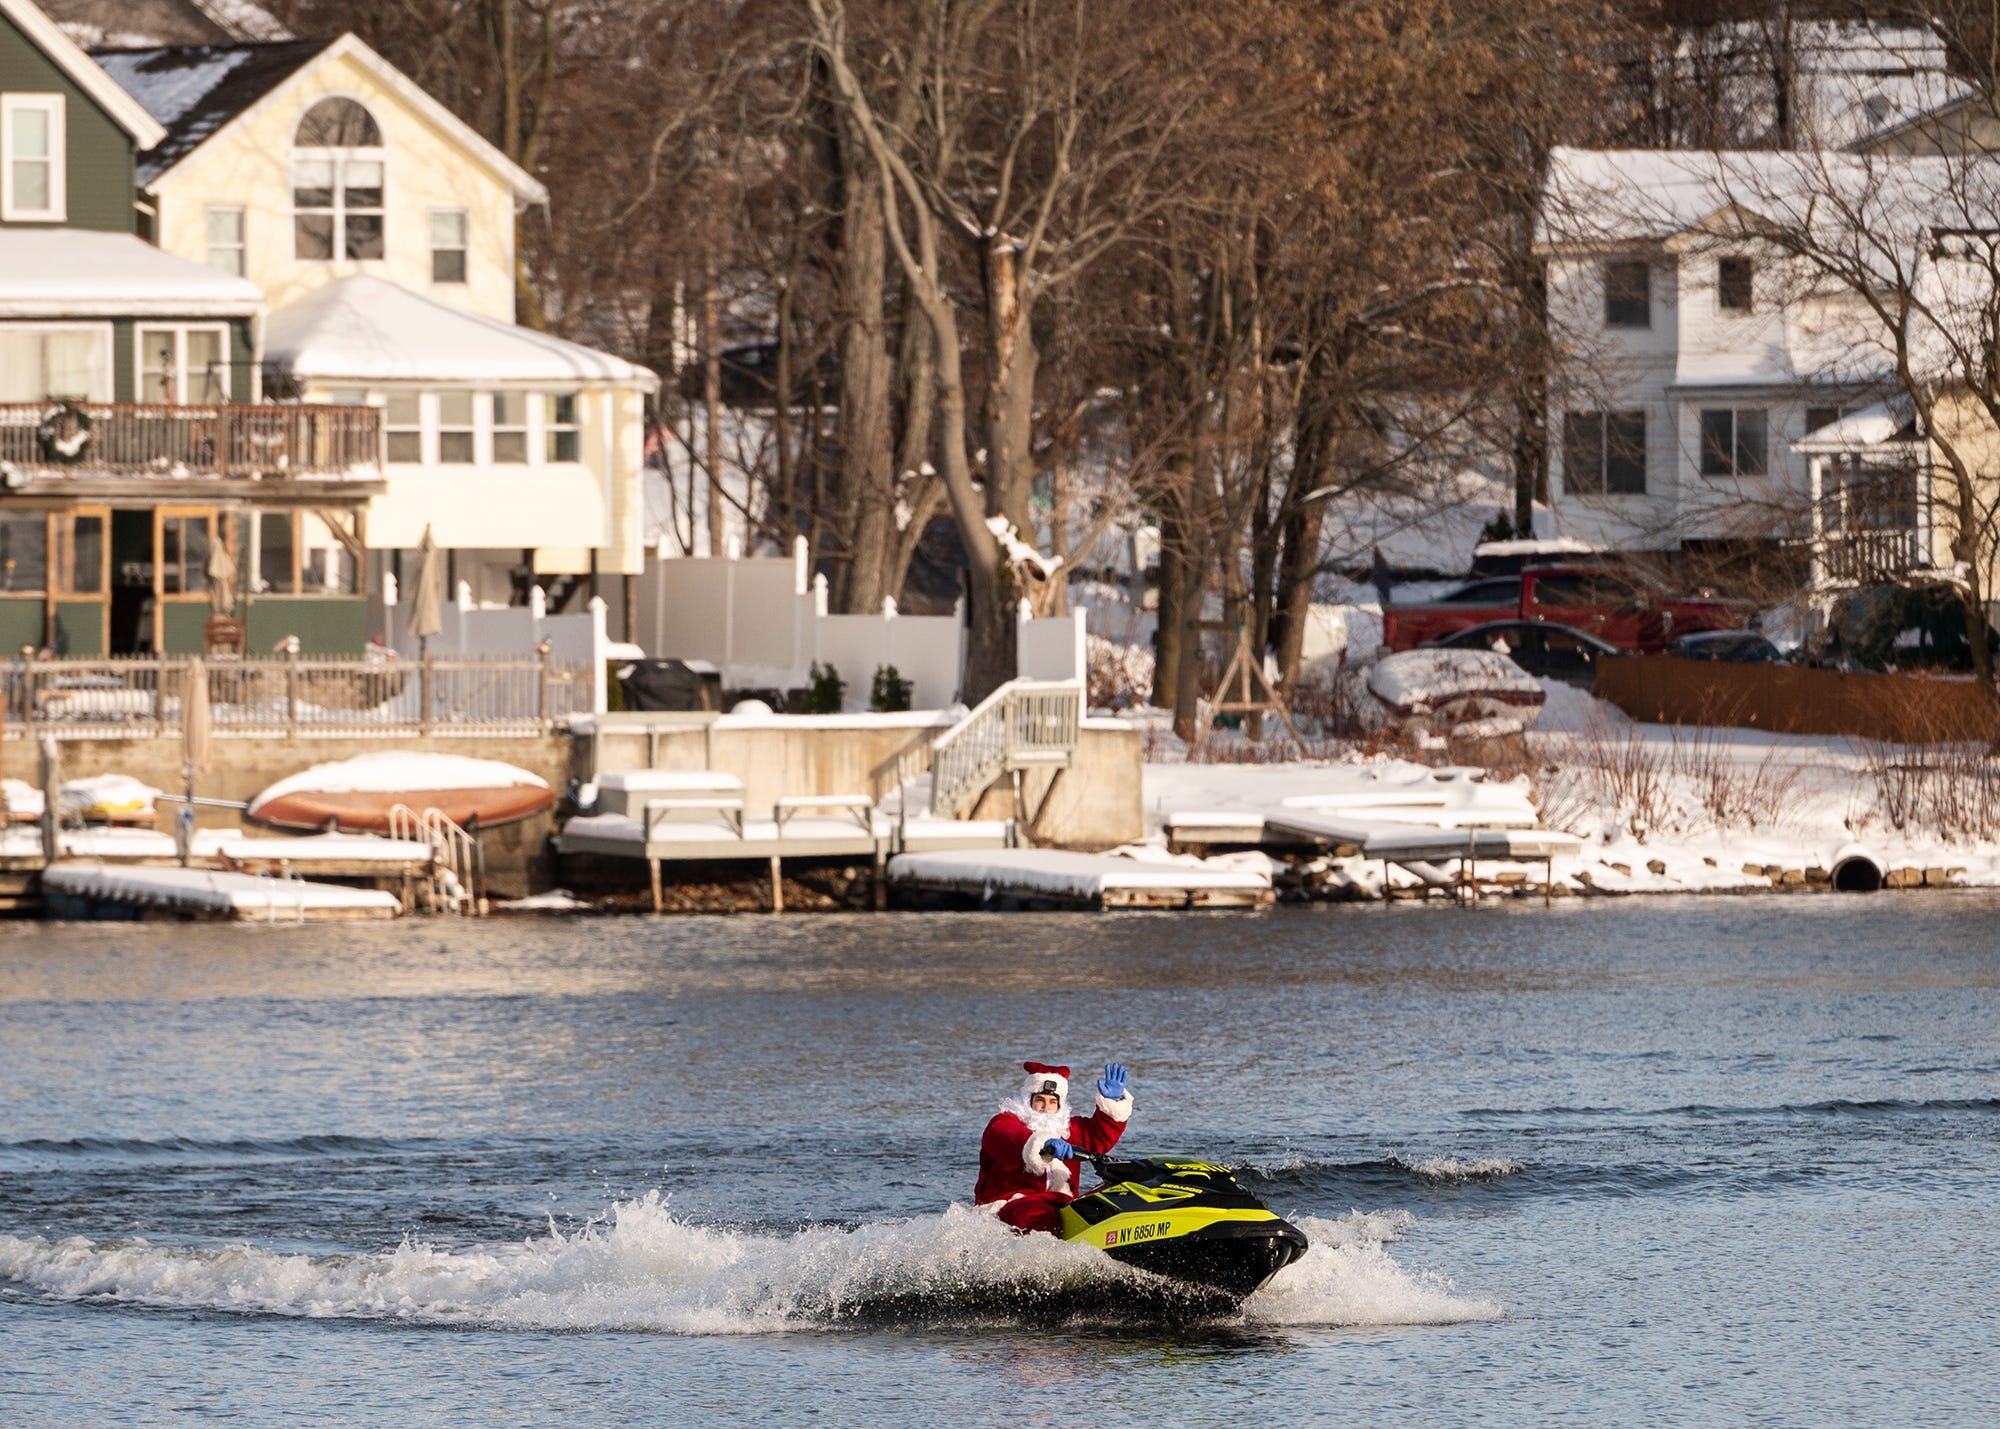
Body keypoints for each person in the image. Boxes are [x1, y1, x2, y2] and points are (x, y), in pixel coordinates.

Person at [975, 1060, 1132, 1234]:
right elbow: (1008, 1139)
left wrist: (1113, 1103)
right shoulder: (1002, 1123)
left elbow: (1099, 1136)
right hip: (1011, 1204)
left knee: (1108, 1202)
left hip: (1062, 1201)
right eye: (1040, 1100)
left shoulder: (1068, 1129)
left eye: (1052, 1102)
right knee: (1039, 1214)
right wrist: (1042, 1144)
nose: (1045, 1108)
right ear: (1028, 1100)